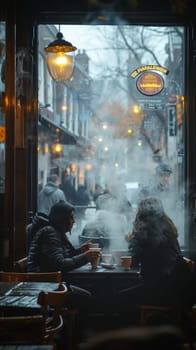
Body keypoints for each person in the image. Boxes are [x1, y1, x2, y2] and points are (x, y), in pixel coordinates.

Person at [119, 197, 195, 310]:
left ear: (142, 214)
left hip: (160, 291)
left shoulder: (143, 234)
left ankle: (137, 327)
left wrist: (131, 241)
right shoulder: (169, 230)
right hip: (176, 289)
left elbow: (133, 262)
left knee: (119, 297)